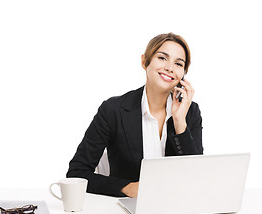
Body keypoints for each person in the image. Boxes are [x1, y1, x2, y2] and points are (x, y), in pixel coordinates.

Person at [66, 32, 203, 198]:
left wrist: (179, 121)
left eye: (178, 63)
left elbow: (196, 177)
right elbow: (77, 173)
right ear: (145, 62)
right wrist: (127, 188)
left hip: (176, 209)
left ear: (183, 75)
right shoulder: (113, 110)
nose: (170, 68)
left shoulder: (190, 112)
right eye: (162, 58)